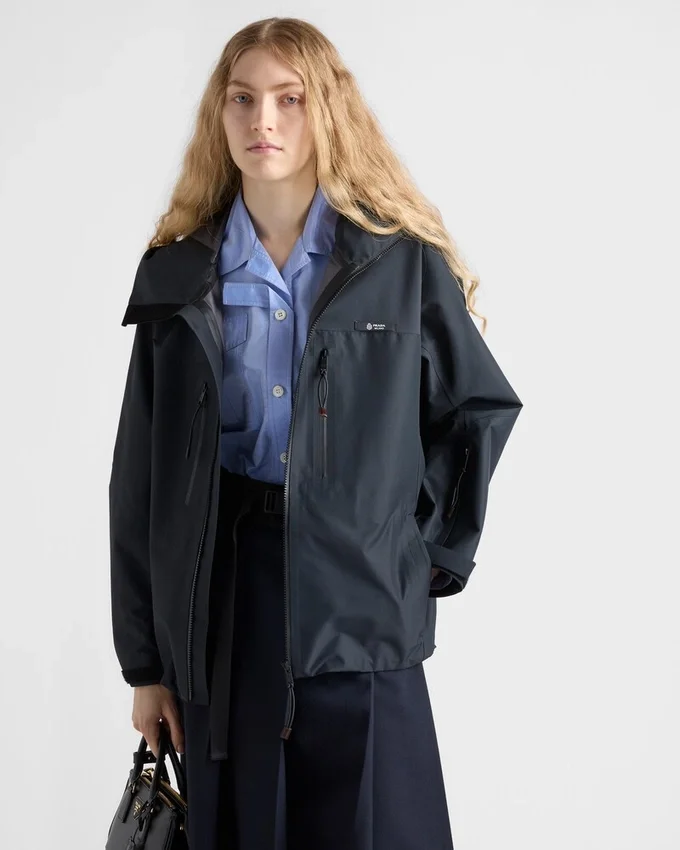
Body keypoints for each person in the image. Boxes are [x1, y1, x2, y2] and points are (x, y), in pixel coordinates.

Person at [108, 16, 523, 850]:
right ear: (220, 115)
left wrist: (426, 555)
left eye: (289, 99)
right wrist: (146, 666)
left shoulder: (398, 264)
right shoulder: (179, 275)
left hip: (362, 599)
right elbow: (139, 476)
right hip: (223, 606)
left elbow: (477, 409)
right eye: (243, 99)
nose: (263, 119)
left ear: (325, 110)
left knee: (377, 825)